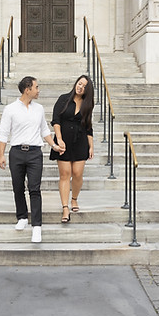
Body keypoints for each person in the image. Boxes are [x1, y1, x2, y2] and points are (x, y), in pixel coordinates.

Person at [0, 76, 62, 243]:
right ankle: (22, 217)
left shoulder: (39, 108)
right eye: (36, 87)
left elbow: (44, 130)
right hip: (17, 152)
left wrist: (54, 145)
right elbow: (4, 133)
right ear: (27, 89)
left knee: (34, 188)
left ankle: (37, 226)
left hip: (35, 153)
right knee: (18, 187)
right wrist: (1, 155)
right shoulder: (10, 109)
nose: (38, 90)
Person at [50, 75, 94, 223]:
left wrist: (91, 146)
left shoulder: (88, 104)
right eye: (79, 83)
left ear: (87, 90)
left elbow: (88, 126)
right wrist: (59, 139)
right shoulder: (63, 98)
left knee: (77, 173)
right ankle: (65, 208)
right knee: (65, 174)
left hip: (80, 141)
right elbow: (56, 120)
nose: (80, 87)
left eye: (83, 86)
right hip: (64, 140)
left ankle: (74, 198)